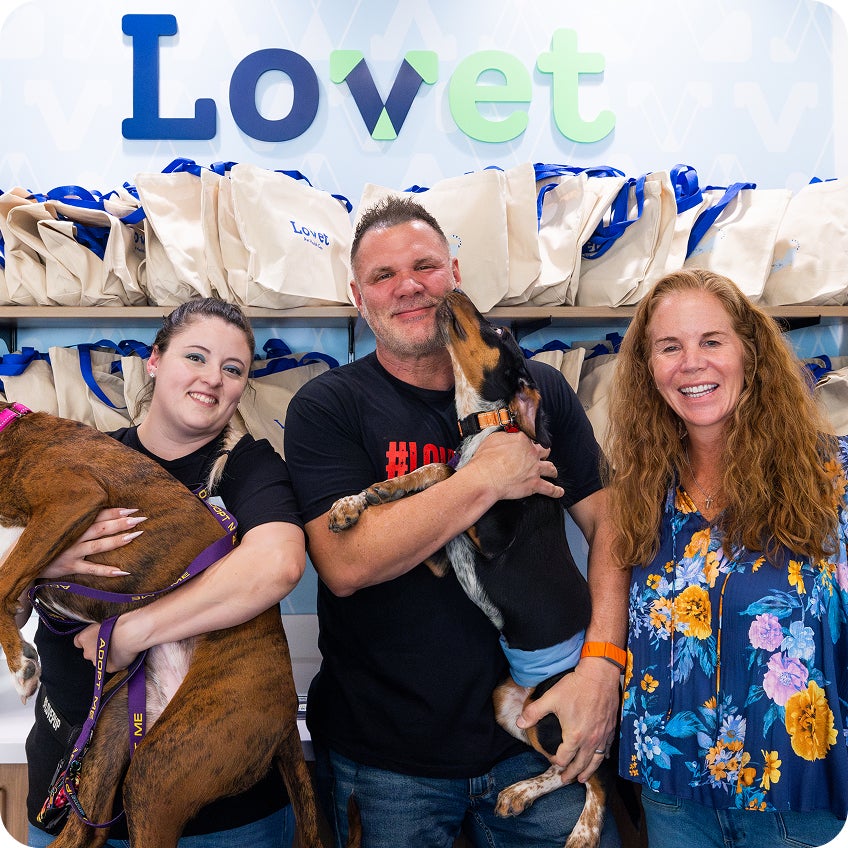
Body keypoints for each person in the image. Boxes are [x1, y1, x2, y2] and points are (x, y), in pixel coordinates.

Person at [283, 196, 629, 847]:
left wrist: (604, 665)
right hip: (384, 763)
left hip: (539, 729)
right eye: (384, 276)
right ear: (358, 296)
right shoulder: (327, 406)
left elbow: (611, 525)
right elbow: (346, 563)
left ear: (455, 274)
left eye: (425, 266)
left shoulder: (539, 390)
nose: (408, 286)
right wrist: (483, 480)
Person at [19, 297, 307, 847]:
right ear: (154, 360)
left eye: (232, 369)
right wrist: (43, 557)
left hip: (219, 817)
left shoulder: (248, 467)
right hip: (68, 784)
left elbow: (277, 562)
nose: (212, 380)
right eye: (195, 357)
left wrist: (130, 633)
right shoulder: (89, 461)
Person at [604, 268, 848, 848]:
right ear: (649, 370)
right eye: (670, 347)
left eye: (712, 342)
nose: (692, 363)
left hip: (799, 803)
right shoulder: (641, 492)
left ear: (751, 354)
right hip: (673, 801)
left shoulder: (833, 477)